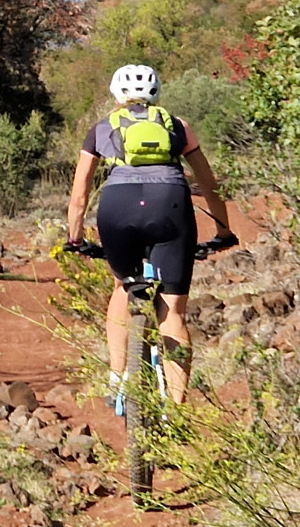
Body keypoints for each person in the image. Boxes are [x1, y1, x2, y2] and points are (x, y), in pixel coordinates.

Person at [65, 64, 236, 402]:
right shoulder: (178, 127)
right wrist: (223, 230)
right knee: (172, 313)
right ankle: (176, 407)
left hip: (118, 207)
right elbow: (209, 185)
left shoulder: (100, 129)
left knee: (121, 284)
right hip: (169, 206)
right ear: (157, 91)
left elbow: (80, 193)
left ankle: (117, 377)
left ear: (117, 94)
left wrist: (74, 237)